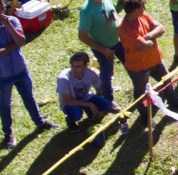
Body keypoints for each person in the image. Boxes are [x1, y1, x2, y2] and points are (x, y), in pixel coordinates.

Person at [118, 0, 178, 125]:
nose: (145, 9)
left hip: (156, 60)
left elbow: (161, 28)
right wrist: (152, 37)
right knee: (141, 92)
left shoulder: (143, 15)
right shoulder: (124, 29)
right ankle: (145, 116)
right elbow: (145, 46)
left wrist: (149, 36)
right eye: (142, 8)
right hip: (138, 67)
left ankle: (174, 102)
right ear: (135, 11)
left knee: (167, 80)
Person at [1, 12, 59, 148]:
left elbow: (21, 41)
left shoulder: (13, 21)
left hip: (21, 69)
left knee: (29, 97)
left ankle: (39, 122)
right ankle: (8, 133)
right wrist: (13, 45)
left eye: (2, 7)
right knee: (4, 105)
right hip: (2, 75)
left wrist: (8, 25)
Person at [78, 0, 126, 112]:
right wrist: (102, 49)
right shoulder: (87, 10)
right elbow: (82, 36)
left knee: (131, 64)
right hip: (103, 48)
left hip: (118, 42)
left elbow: (114, 16)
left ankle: (142, 88)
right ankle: (109, 101)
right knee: (106, 75)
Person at [56, 52, 115, 133]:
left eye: (78, 66)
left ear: (85, 66)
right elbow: (67, 101)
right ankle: (70, 120)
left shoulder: (90, 73)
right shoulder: (63, 78)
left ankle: (89, 111)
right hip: (70, 103)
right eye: (72, 66)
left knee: (107, 106)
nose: (74, 69)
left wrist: (98, 107)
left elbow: (99, 90)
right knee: (76, 115)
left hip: (86, 97)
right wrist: (90, 105)